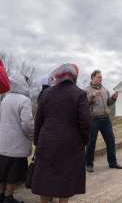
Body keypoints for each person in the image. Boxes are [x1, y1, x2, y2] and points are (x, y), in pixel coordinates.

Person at [32, 63, 91, 203]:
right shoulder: (80, 94)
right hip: (70, 144)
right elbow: (85, 122)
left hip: (46, 142)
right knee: (65, 181)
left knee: (45, 180)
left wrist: (37, 141)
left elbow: (38, 120)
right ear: (74, 77)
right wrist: (84, 141)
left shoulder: (46, 93)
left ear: (58, 76)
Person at [0, 73, 34, 203]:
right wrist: (32, 135)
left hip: (3, 143)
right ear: (23, 83)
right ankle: (8, 197)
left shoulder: (5, 98)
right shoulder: (24, 100)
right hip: (17, 144)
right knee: (13, 173)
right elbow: (27, 124)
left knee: (2, 172)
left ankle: (1, 195)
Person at [85, 70, 122, 172]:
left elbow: (108, 103)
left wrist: (113, 98)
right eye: (98, 77)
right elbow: (84, 105)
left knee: (111, 141)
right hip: (93, 119)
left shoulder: (105, 90)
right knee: (91, 143)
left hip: (105, 119)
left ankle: (112, 163)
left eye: (101, 77)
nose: (101, 79)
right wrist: (92, 96)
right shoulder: (86, 91)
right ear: (92, 78)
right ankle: (89, 164)